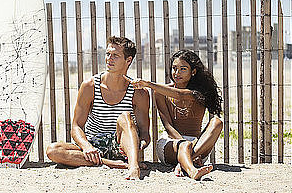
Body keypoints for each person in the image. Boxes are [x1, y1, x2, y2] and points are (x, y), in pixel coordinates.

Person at [46, 36, 151, 180]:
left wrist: (137, 145)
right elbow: (76, 126)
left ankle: (133, 166)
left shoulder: (139, 93)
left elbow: (145, 133)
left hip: (122, 146)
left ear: (128, 60)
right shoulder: (90, 86)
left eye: (115, 55)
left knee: (125, 117)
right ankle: (112, 163)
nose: (109, 59)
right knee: (53, 150)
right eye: (108, 54)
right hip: (93, 146)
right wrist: (86, 147)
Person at [124, 49, 223, 180]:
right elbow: (168, 126)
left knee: (217, 122)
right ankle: (193, 171)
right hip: (171, 143)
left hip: (198, 147)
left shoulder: (199, 92)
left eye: (183, 69)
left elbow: (180, 95)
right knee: (184, 145)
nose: (177, 73)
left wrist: (148, 84)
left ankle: (185, 162)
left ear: (193, 72)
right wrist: (183, 144)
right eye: (174, 68)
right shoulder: (160, 93)